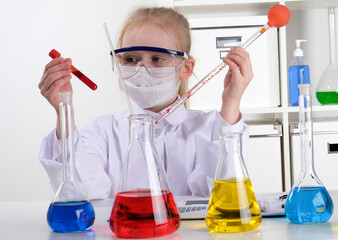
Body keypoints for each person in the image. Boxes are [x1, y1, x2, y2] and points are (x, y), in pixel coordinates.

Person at [38, 7, 253, 199]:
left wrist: (231, 101)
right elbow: (81, 191)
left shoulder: (209, 128)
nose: (141, 69)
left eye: (157, 59)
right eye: (131, 59)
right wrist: (63, 108)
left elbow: (222, 192)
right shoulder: (103, 131)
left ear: (185, 68)